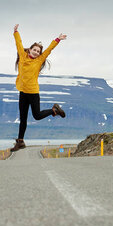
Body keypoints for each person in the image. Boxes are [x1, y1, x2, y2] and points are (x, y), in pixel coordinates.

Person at [10, 24, 67, 152]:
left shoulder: (39, 60)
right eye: (34, 50)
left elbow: (49, 50)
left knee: (36, 115)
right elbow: (18, 43)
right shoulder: (22, 56)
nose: (36, 52)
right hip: (23, 93)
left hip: (33, 93)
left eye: (38, 51)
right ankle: (20, 142)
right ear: (29, 50)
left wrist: (57, 39)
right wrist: (16, 32)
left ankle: (54, 110)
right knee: (23, 118)